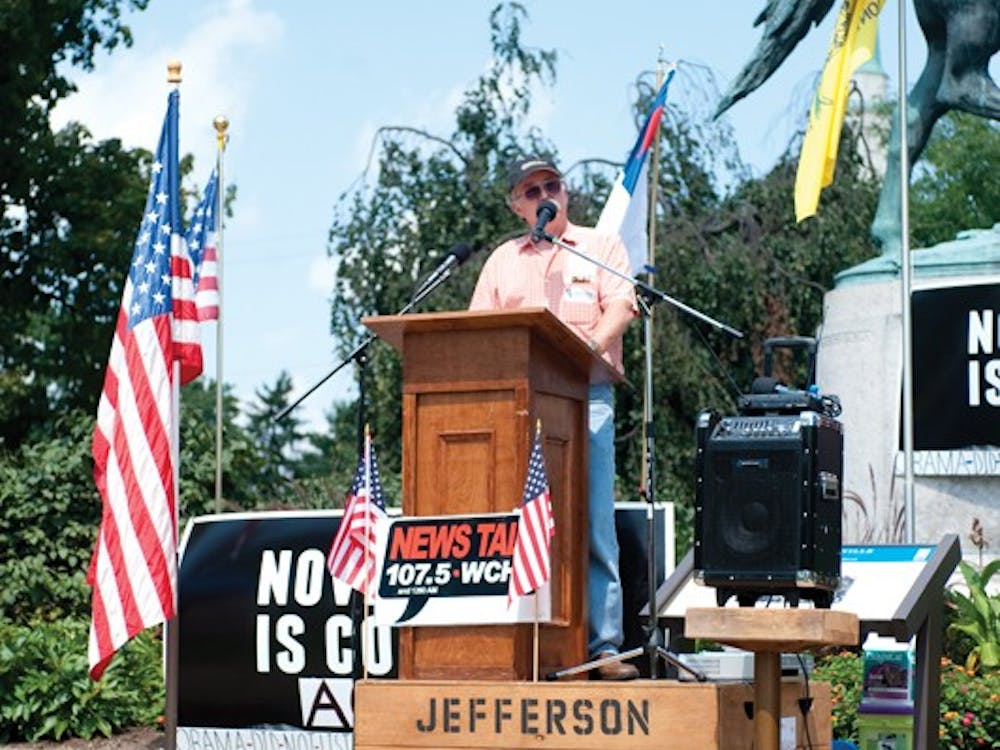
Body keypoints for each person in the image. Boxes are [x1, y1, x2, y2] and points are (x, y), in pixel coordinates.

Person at [469, 156, 639, 680]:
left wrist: (580, 350)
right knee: (518, 526)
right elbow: (479, 330)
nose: (546, 193)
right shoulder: (502, 260)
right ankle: (520, 644)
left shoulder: (601, 246)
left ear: (565, 193)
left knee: (592, 524)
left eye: (553, 184)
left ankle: (605, 646)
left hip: (587, 399)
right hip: (519, 409)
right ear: (518, 207)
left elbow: (622, 307)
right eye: (532, 189)